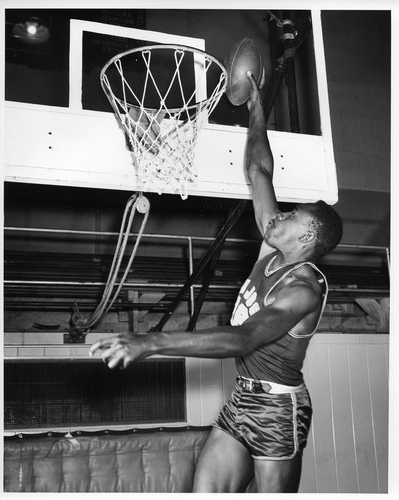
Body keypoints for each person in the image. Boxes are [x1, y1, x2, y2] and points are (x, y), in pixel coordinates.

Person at [89, 71, 343, 493]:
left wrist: (151, 343)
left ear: (307, 237)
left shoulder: (303, 290)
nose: (277, 215)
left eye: (291, 215)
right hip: (242, 397)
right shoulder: (273, 246)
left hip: (277, 408)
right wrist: (258, 111)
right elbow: (259, 168)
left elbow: (244, 339)